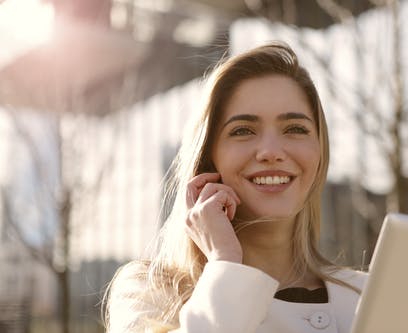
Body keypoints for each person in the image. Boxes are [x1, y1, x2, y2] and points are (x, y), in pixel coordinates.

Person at [104, 42, 367, 333]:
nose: (271, 151)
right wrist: (225, 264)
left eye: (295, 128)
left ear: (319, 152)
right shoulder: (149, 293)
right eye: (242, 130)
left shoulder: (366, 295)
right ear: (208, 157)